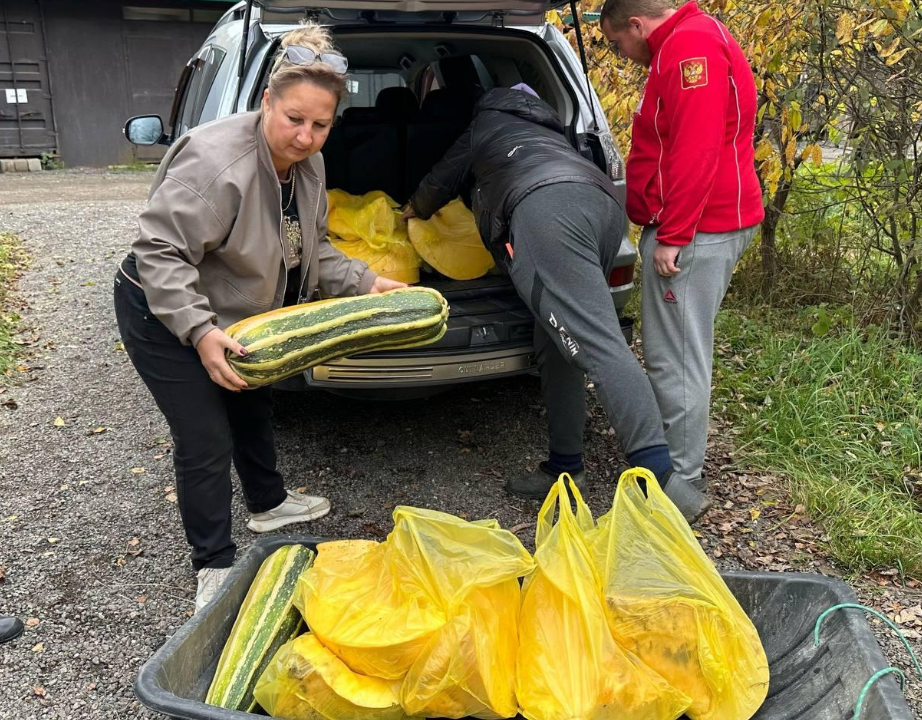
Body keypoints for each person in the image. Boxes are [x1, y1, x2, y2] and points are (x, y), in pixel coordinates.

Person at [114, 24, 405, 611]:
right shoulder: (217, 160)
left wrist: (368, 282)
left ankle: (268, 504)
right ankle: (213, 567)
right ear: (266, 101)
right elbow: (160, 253)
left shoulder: (308, 167)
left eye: (320, 125)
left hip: (233, 312)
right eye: (293, 118)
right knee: (204, 436)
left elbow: (312, 246)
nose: (305, 135)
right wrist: (199, 331)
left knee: (252, 400)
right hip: (161, 307)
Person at [405, 83, 707, 520]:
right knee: (556, 339)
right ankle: (566, 469)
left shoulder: (484, 123)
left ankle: (660, 479)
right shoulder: (551, 129)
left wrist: (412, 209)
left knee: (596, 342)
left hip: (545, 211)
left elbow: (440, 181)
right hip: (602, 207)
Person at [601, 0, 763, 499]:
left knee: (677, 360)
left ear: (636, 24)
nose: (620, 53)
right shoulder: (682, 42)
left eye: (615, 43)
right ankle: (673, 465)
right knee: (674, 353)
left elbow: (698, 145)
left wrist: (674, 234)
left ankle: (679, 485)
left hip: (700, 229)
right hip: (695, 224)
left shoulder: (690, 47)